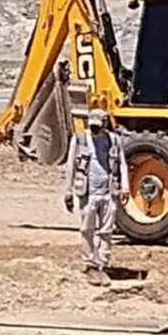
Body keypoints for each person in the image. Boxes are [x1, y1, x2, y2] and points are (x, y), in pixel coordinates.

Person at [63, 109, 129, 287]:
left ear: (105, 123)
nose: (94, 130)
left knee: (106, 231)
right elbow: (70, 166)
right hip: (88, 192)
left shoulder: (113, 140)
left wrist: (125, 187)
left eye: (97, 127)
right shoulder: (80, 140)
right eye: (92, 127)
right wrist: (68, 191)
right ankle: (90, 264)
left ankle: (102, 265)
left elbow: (122, 164)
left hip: (108, 192)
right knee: (87, 229)